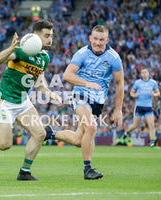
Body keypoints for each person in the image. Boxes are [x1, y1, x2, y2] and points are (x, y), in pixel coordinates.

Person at [0, 19, 62, 180]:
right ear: (35, 36)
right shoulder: (21, 51)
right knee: (4, 145)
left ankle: (24, 172)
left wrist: (50, 93)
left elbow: (39, 83)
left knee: (40, 134)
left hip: (23, 101)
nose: (50, 39)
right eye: (47, 35)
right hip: (5, 101)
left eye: (51, 36)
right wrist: (11, 48)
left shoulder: (44, 57)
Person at [46, 25, 124, 179]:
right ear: (90, 38)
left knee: (78, 140)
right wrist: (87, 84)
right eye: (95, 39)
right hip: (80, 96)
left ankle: (49, 133)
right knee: (91, 126)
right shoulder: (82, 54)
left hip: (98, 102)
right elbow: (67, 75)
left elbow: (120, 83)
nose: (98, 42)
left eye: (101, 40)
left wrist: (118, 109)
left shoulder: (114, 58)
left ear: (107, 40)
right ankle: (87, 170)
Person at [119, 67, 160, 148]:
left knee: (151, 125)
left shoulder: (153, 82)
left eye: (146, 72)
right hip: (139, 106)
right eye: (143, 72)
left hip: (148, 106)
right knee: (134, 125)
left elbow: (158, 92)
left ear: (148, 73)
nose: (144, 74)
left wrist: (154, 94)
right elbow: (131, 92)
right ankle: (125, 135)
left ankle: (152, 144)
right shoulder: (138, 83)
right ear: (141, 74)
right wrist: (134, 95)